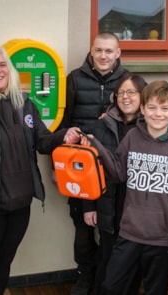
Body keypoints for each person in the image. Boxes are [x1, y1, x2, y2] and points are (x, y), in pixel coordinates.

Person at [0, 47, 81, 295]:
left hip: (19, 203)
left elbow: (43, 141)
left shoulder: (24, 103)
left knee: (3, 262)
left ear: (10, 71)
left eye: (2, 65)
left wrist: (65, 135)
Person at [82, 80, 168, 294]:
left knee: (155, 290)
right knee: (111, 286)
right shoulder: (133, 137)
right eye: (152, 107)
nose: (158, 114)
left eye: (164, 108)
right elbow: (117, 172)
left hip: (163, 238)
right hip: (130, 233)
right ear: (142, 109)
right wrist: (96, 145)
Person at [58, 31, 129, 295]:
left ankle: (105, 277)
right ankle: (86, 275)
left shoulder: (127, 81)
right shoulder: (74, 79)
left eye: (109, 51)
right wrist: (61, 169)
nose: (103, 56)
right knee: (82, 226)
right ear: (91, 50)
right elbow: (63, 124)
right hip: (79, 168)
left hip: (115, 168)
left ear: (118, 53)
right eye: (99, 50)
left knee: (113, 229)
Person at [83, 73, 147, 294]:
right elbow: (88, 171)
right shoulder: (101, 125)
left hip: (136, 213)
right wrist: (89, 206)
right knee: (108, 264)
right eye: (121, 92)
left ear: (143, 96)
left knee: (132, 268)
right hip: (108, 207)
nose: (126, 97)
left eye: (132, 92)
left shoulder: (150, 129)